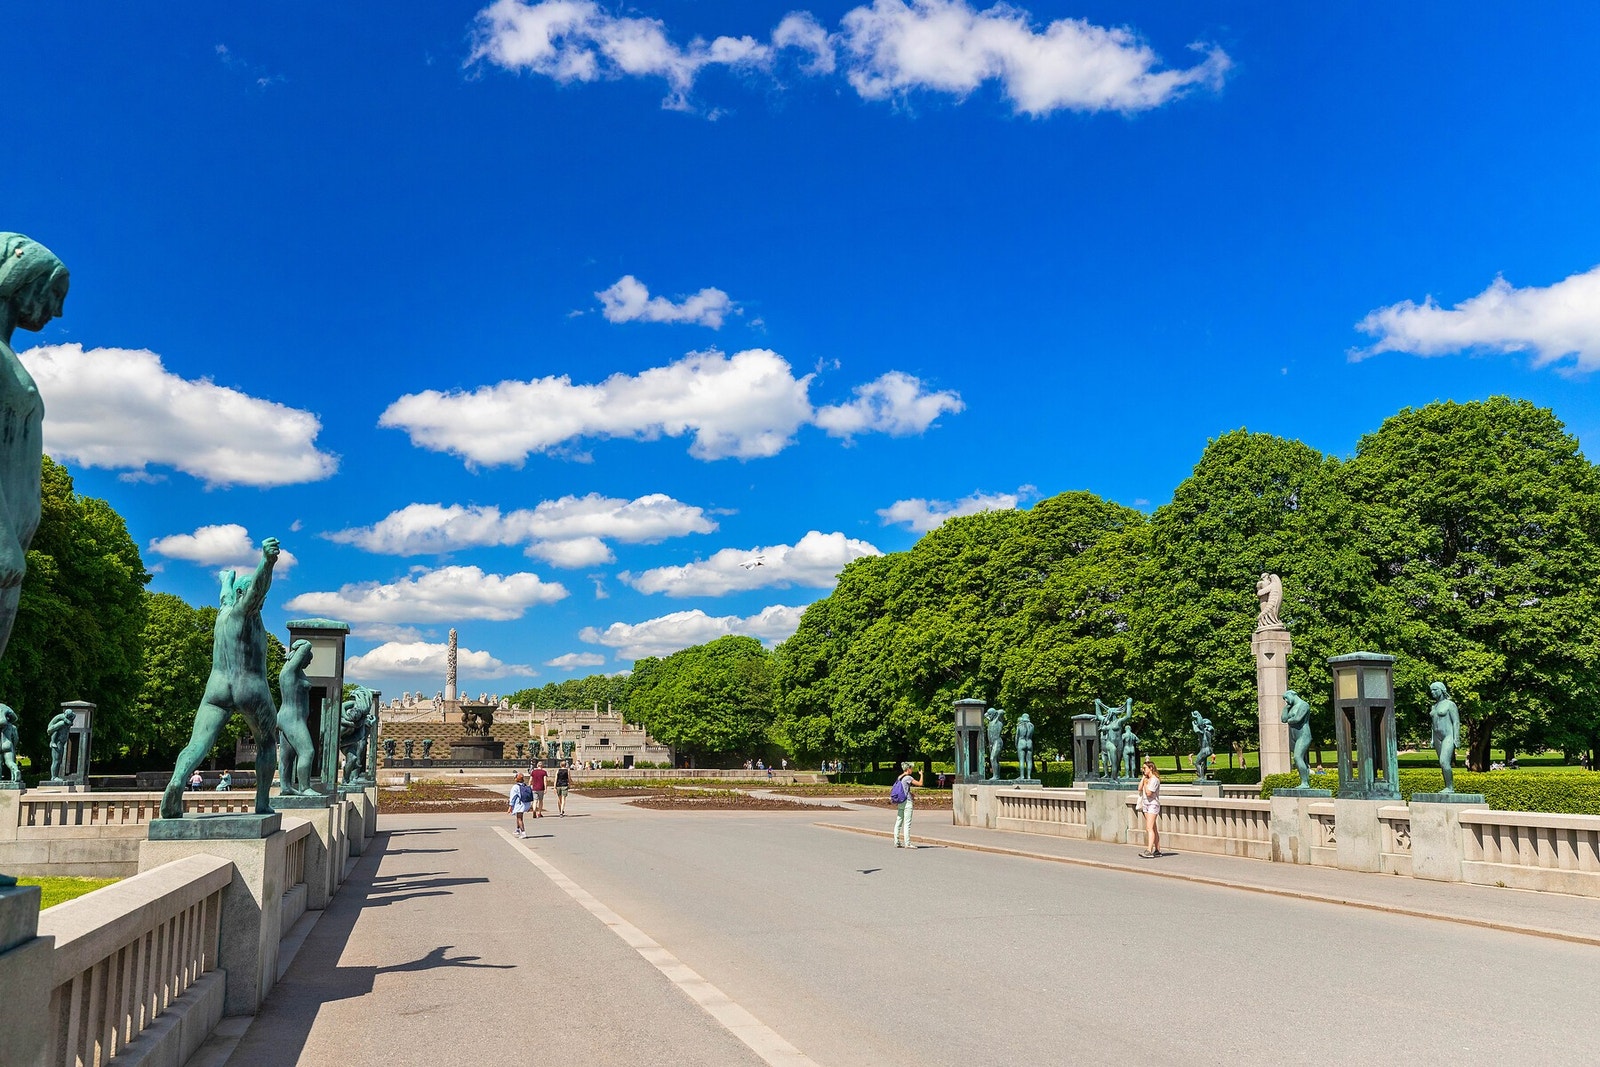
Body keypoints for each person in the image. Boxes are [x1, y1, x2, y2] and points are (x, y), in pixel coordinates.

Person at [161, 539, 282, 819]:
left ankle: (178, 779)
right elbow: (258, 588)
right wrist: (267, 561)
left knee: (197, 744)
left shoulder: (224, 612)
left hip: (216, 687)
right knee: (266, 743)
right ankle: (262, 802)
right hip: (249, 686)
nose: (261, 601)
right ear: (248, 596)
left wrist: (225, 579)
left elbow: (225, 595)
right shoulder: (245, 612)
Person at [892, 762, 922, 848]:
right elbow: (920, 783)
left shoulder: (900, 777)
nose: (912, 770)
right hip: (907, 802)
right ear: (908, 769)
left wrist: (910, 793)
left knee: (899, 821)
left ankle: (896, 841)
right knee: (907, 823)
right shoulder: (908, 777)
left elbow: (903, 789)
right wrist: (921, 775)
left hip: (900, 801)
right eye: (911, 768)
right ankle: (907, 843)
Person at [1137, 758, 1162, 858]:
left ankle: (1149, 850)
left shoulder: (1154, 780)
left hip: (1153, 804)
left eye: (1145, 768)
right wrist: (1143, 779)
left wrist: (1146, 784)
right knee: (1153, 828)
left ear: (1151, 768)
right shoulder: (1146, 779)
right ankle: (1158, 850)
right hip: (1146, 804)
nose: (1143, 770)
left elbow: (1149, 793)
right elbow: (1139, 788)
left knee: (1149, 828)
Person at [509, 771, 531, 837]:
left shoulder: (515, 787)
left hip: (519, 804)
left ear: (517, 779)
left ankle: (523, 832)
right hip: (525, 803)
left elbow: (512, 797)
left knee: (519, 818)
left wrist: (510, 806)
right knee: (519, 816)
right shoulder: (525, 785)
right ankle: (518, 829)